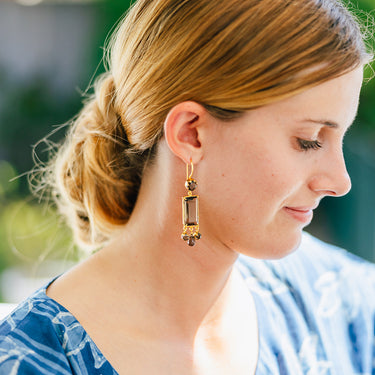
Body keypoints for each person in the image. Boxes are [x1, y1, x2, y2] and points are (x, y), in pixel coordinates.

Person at [0, 0, 374, 373]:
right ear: (190, 133)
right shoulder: (30, 361)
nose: (340, 181)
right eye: (308, 139)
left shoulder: (340, 304)